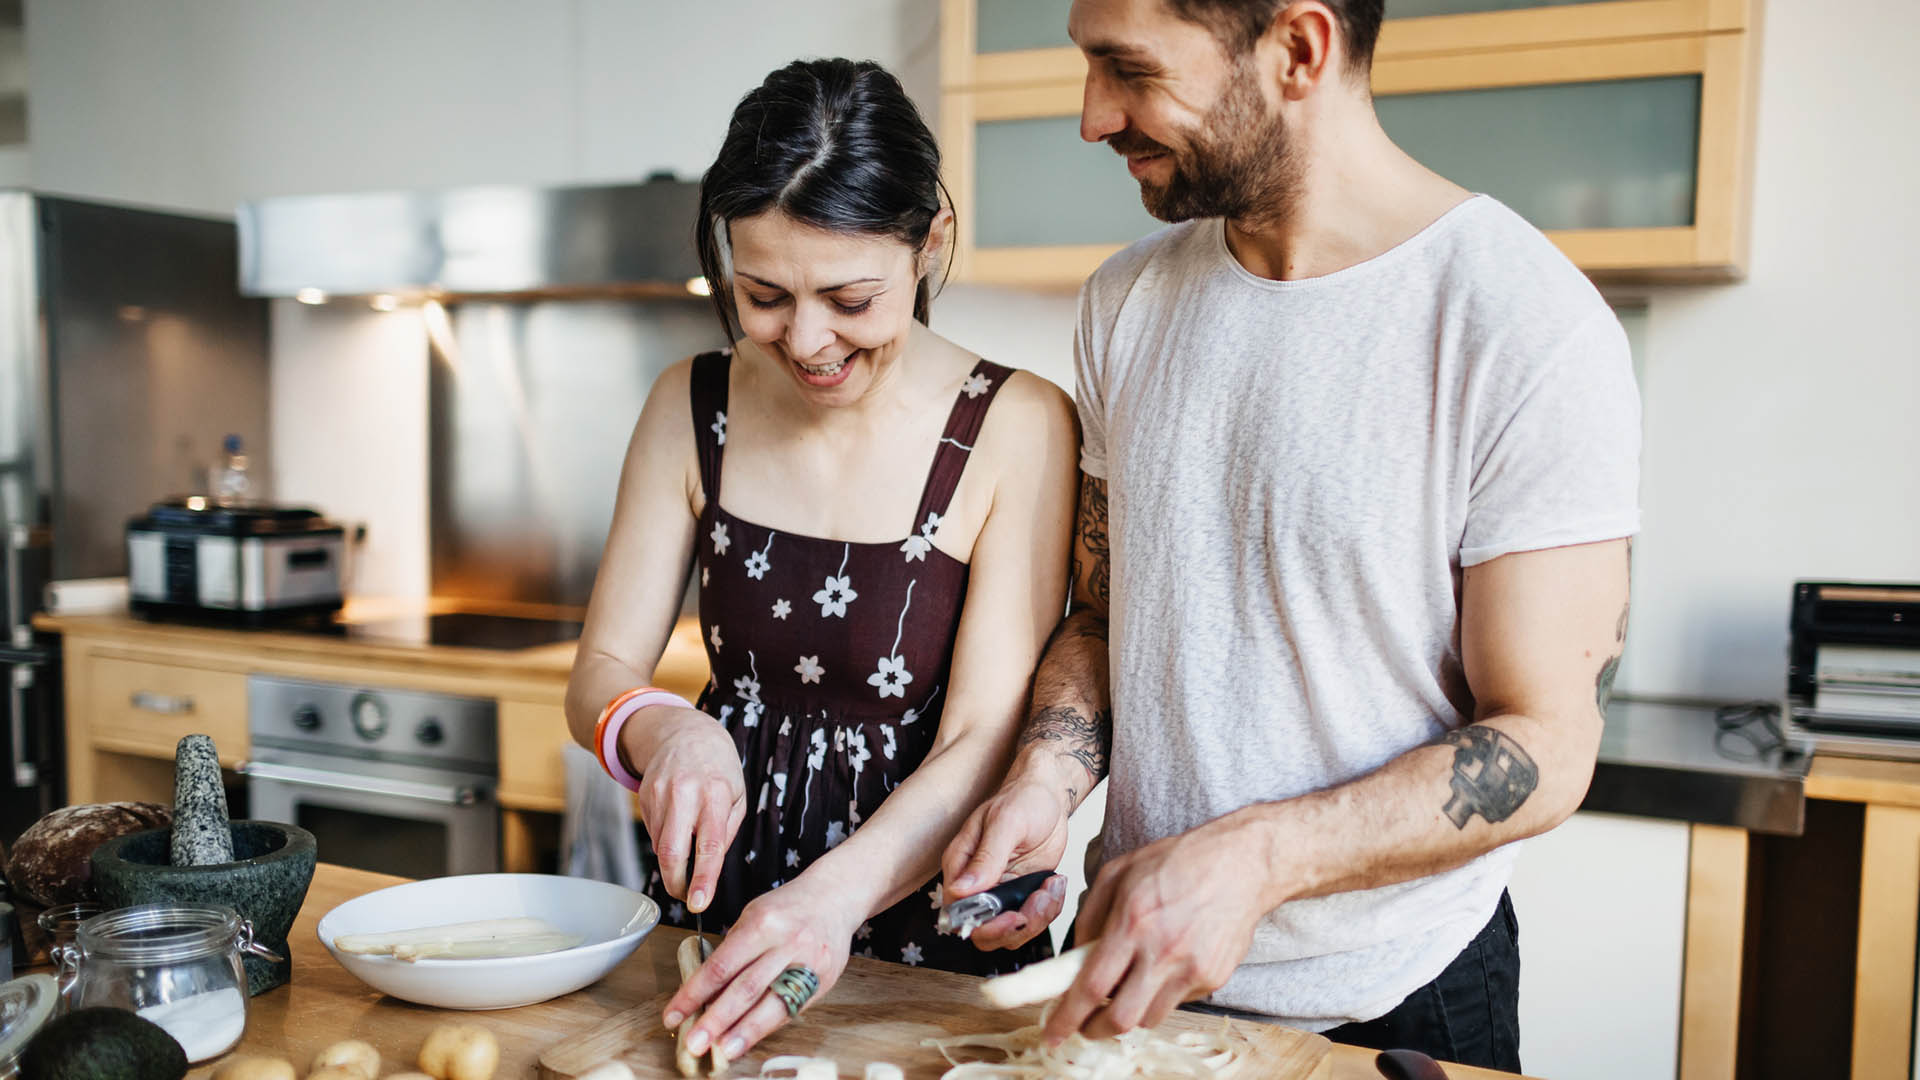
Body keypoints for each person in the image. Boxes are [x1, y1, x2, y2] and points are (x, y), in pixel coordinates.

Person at [940, 0, 1640, 1071]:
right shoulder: (1127, 300)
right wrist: (1047, 780)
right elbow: (1105, 613)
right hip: (1142, 974)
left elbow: (1547, 743)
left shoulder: (1520, 324)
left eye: (1127, 70)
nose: (1092, 117)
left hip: (1400, 1000)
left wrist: (1256, 861)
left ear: (1299, 50)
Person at [565, 58, 1078, 1063]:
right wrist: (666, 733)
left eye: (850, 298)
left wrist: (828, 904)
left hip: (928, 932)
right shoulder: (690, 403)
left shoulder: (1015, 424)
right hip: (715, 929)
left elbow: (983, 733)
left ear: (928, 244)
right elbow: (599, 674)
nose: (806, 342)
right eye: (762, 294)